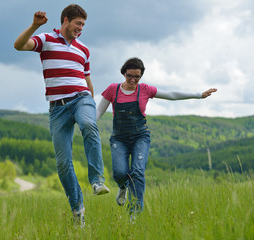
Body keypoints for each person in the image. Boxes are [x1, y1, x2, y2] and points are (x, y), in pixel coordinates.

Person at [14, 4, 109, 226]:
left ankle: (97, 180)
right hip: (57, 108)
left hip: (81, 99)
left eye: (83, 25)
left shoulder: (84, 50)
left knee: (88, 125)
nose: (81, 29)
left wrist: (91, 106)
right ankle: (77, 209)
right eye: (78, 24)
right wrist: (34, 25)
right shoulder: (46, 39)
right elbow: (19, 45)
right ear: (65, 20)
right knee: (63, 163)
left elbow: (86, 80)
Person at [96, 57, 217, 220]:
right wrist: (86, 124)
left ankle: (134, 214)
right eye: (129, 76)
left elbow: (170, 94)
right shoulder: (113, 89)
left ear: (141, 76)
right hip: (119, 138)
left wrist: (198, 95)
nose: (132, 80)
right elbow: (98, 112)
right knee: (120, 172)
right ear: (123, 73)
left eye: (136, 77)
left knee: (137, 171)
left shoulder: (145, 90)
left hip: (140, 136)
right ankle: (122, 186)